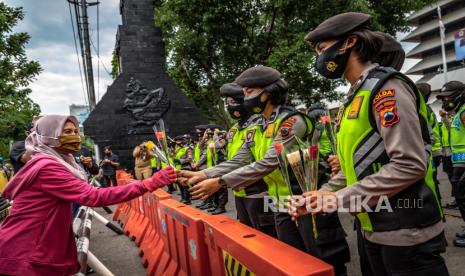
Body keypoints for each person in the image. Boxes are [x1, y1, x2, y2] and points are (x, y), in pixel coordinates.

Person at [290, 12, 448, 275]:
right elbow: (358, 167)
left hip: (407, 233)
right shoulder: (355, 97)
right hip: (373, 229)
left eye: (321, 49)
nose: (318, 58)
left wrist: (336, 199)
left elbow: (409, 165)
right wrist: (322, 193)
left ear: (349, 42)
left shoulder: (387, 89)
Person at [179, 66, 349, 274]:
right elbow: (241, 159)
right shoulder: (259, 125)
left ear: (267, 93)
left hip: (308, 201)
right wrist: (203, 174)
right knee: (292, 264)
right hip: (279, 205)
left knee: (324, 263)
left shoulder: (290, 121)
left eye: (249, 92)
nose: (244, 97)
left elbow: (268, 162)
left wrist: (221, 182)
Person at [0, 115, 176, 276]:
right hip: (25, 252)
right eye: (67, 132)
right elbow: (94, 196)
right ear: (48, 135)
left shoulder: (56, 162)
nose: (75, 136)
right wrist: (149, 183)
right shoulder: (47, 167)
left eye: (76, 131)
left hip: (32, 249)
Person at [437, 81, 465, 247]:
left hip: (463, 164)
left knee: (462, 195)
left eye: (447, 97)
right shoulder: (458, 113)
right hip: (458, 163)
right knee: (461, 195)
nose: (445, 101)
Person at [417, 83, 443, 201]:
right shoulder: (427, 108)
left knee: (428, 178)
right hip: (435, 148)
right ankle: (436, 199)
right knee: (432, 177)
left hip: (429, 149)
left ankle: (433, 201)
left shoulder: (421, 108)